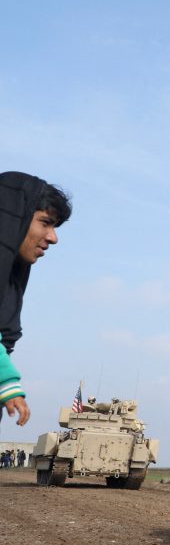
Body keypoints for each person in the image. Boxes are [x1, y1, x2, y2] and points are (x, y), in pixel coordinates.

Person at [0, 172, 71, 428]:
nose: (53, 237)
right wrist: (7, 382)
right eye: (45, 222)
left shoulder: (9, 282)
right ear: (11, 220)